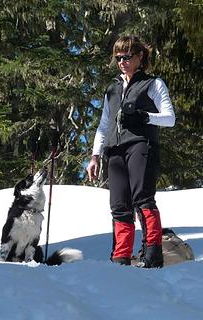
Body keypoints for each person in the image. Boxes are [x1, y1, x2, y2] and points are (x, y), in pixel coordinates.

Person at [87, 35, 175, 268]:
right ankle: (120, 258)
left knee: (143, 199)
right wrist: (95, 155)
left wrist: (145, 116)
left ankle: (152, 254)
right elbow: (104, 124)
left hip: (141, 144)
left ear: (140, 56)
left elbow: (170, 118)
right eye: (118, 57)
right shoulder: (112, 88)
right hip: (114, 150)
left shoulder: (153, 83)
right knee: (118, 205)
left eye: (127, 56)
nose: (122, 61)